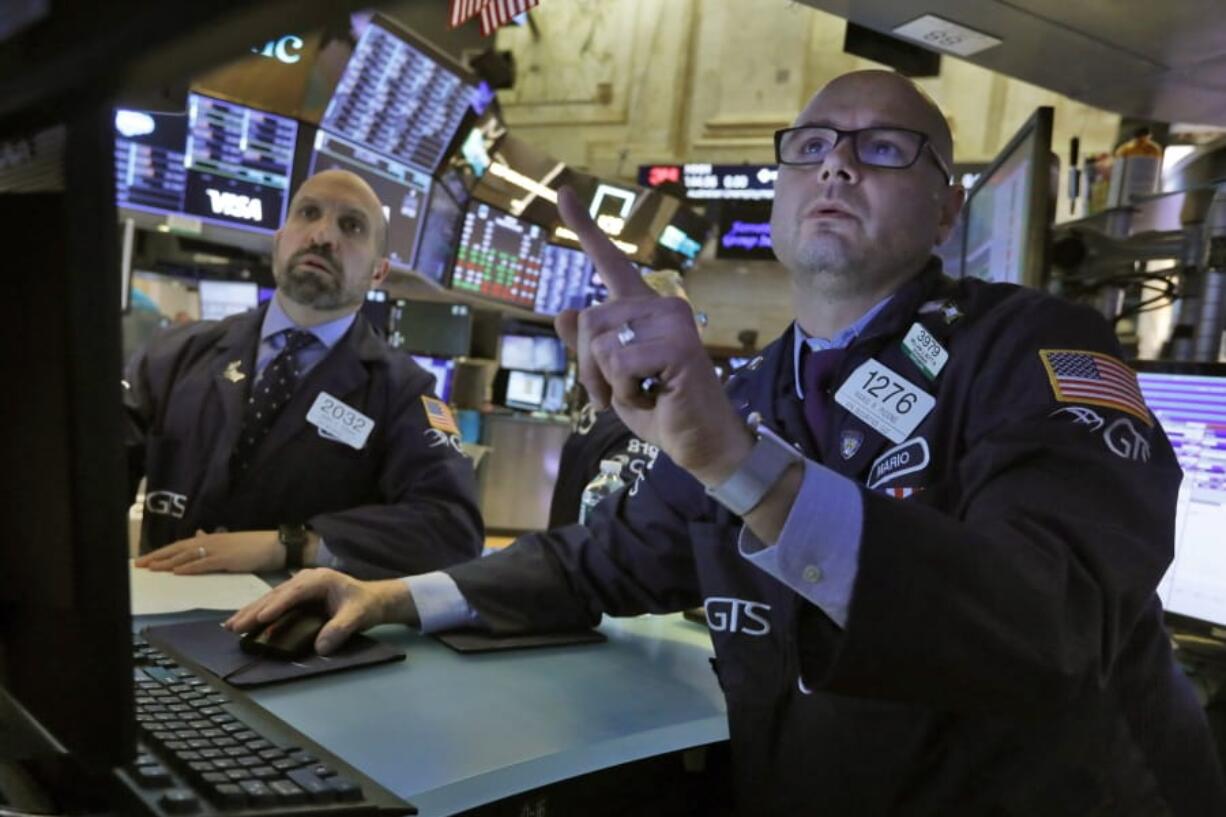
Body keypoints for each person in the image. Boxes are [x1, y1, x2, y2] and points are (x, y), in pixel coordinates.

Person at [227, 72, 1226, 814]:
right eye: (813, 143)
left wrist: (735, 463)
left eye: (884, 148)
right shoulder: (750, 388)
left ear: (945, 207)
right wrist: (395, 594)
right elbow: (602, 560)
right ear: (782, 187)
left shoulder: (1037, 347)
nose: (836, 161)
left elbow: (1049, 626)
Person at [127, 169, 483, 579]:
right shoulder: (174, 355)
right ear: (279, 242)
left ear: (378, 272)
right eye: (308, 213)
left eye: (351, 226)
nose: (322, 236)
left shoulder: (403, 390)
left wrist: (292, 544)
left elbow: (452, 530)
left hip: (303, 631)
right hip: (164, 615)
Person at [546, 270, 691, 528]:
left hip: (565, 551)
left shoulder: (605, 400)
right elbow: (625, 526)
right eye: (685, 322)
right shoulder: (644, 414)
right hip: (593, 561)